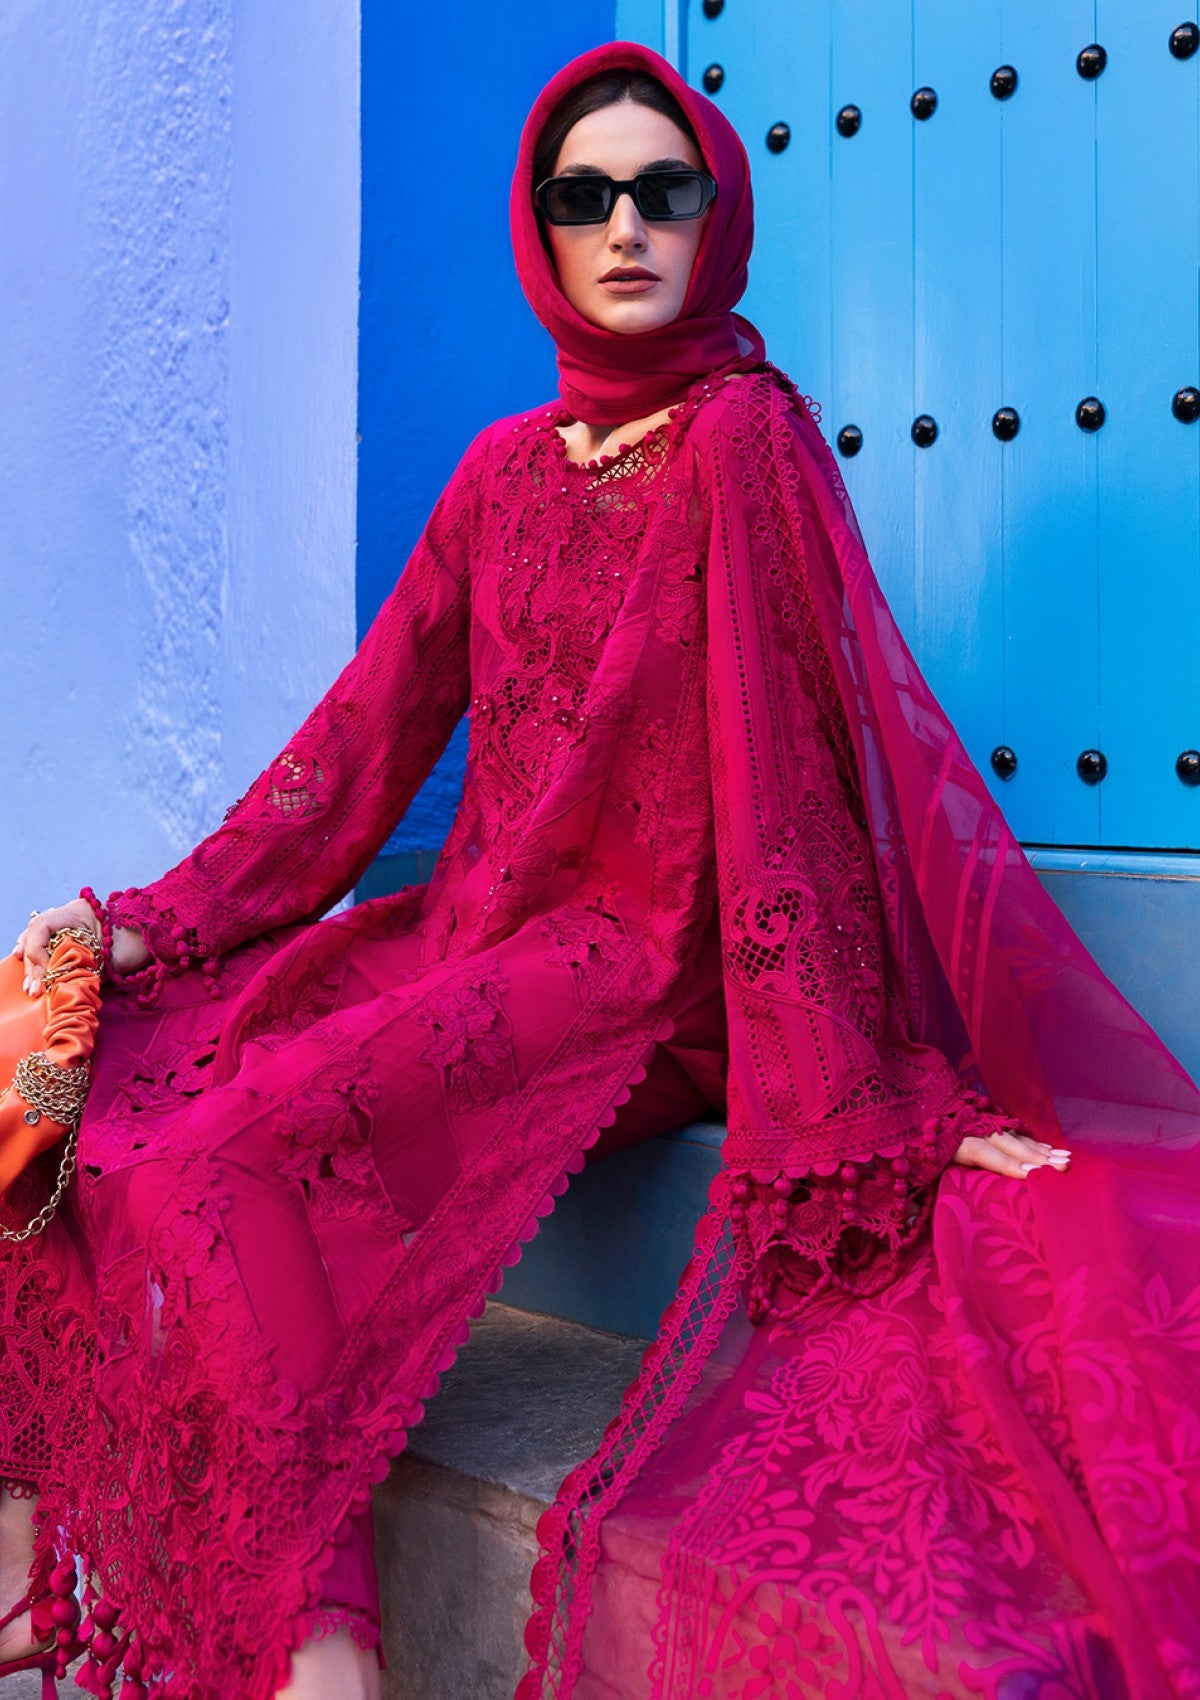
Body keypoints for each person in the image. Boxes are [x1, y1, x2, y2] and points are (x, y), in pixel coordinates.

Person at [2, 37, 1197, 1700]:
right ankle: (159, 1588)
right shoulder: (501, 471)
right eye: (583, 196)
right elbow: (362, 741)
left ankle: (323, 1654)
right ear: (539, 230)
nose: (625, 226)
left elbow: (790, 787)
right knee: (104, 1090)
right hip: (480, 938)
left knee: (228, 1159)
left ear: (718, 217)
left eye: (662, 189)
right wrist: (156, 923)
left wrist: (851, 1090)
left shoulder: (744, 443)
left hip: (646, 971)